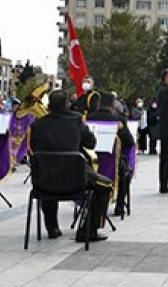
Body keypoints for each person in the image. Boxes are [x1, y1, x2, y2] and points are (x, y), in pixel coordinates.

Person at [29, 90, 112, 242]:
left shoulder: (36, 125)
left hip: (43, 182)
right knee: (106, 185)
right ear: (68, 105)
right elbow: (91, 143)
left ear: (48, 106)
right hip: (74, 180)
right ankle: (87, 230)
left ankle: (52, 227)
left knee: (48, 170)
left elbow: (34, 149)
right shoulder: (76, 119)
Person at [85, 92, 135, 218]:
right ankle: (119, 205)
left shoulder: (88, 118)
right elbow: (129, 142)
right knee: (126, 172)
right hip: (113, 162)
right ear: (113, 105)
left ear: (99, 104)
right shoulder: (119, 120)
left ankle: (87, 202)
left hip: (90, 162)